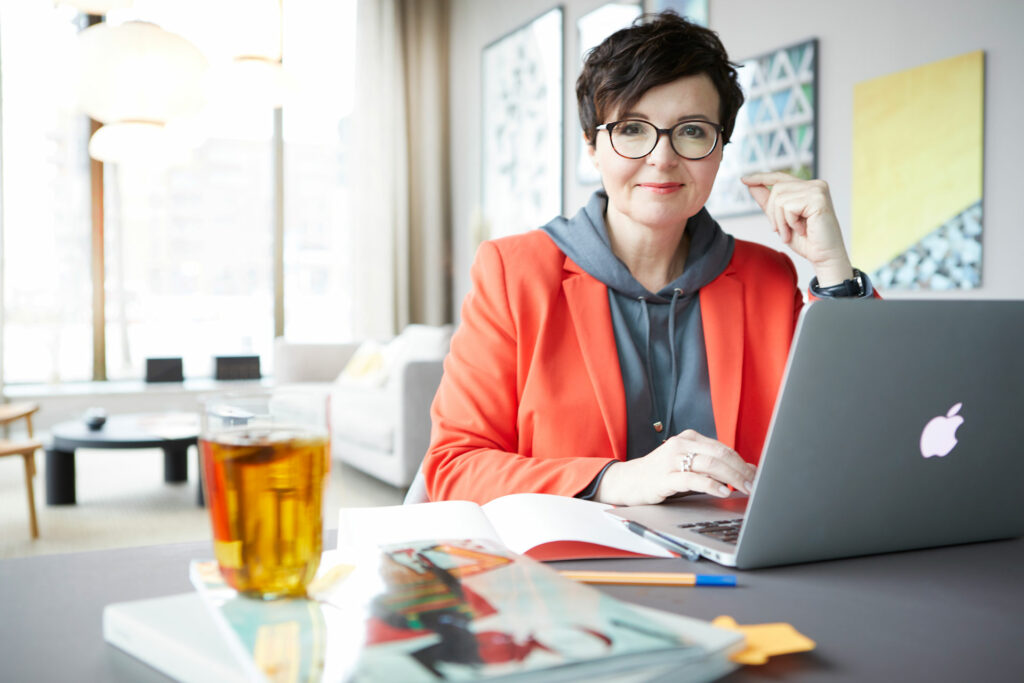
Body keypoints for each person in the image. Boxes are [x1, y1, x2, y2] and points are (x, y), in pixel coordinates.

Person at [424, 11, 876, 506]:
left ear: (720, 149)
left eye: (692, 131)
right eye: (634, 130)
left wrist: (833, 268)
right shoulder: (513, 273)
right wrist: (613, 481)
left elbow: (861, 436)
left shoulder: (766, 277)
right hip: (570, 571)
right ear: (593, 147)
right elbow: (454, 466)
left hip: (739, 565)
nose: (662, 157)